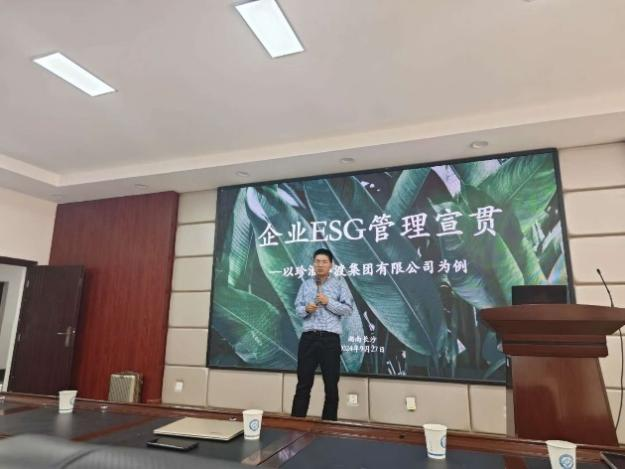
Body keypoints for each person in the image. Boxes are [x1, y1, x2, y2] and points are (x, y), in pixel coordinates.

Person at [291, 248, 353, 421]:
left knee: (331, 385)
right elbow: (297, 308)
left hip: (330, 340)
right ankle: (296, 424)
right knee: (303, 384)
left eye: (324, 262)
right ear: (313, 264)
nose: (320, 265)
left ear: (331, 265)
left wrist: (328, 302)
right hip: (308, 338)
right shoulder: (306, 285)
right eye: (317, 261)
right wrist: (306, 309)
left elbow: (348, 309)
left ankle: (328, 425)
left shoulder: (339, 285)